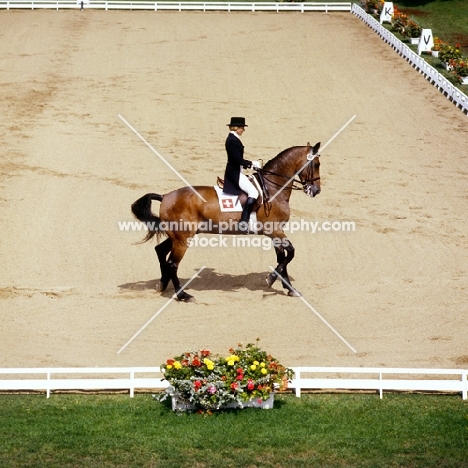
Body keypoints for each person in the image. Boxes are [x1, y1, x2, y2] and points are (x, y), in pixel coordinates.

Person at [223, 117, 260, 233]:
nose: (243, 130)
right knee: (254, 192)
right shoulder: (232, 140)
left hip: (237, 170)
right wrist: (251, 164)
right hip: (234, 173)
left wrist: (247, 165)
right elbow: (236, 159)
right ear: (237, 128)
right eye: (242, 127)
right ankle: (243, 222)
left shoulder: (233, 138)